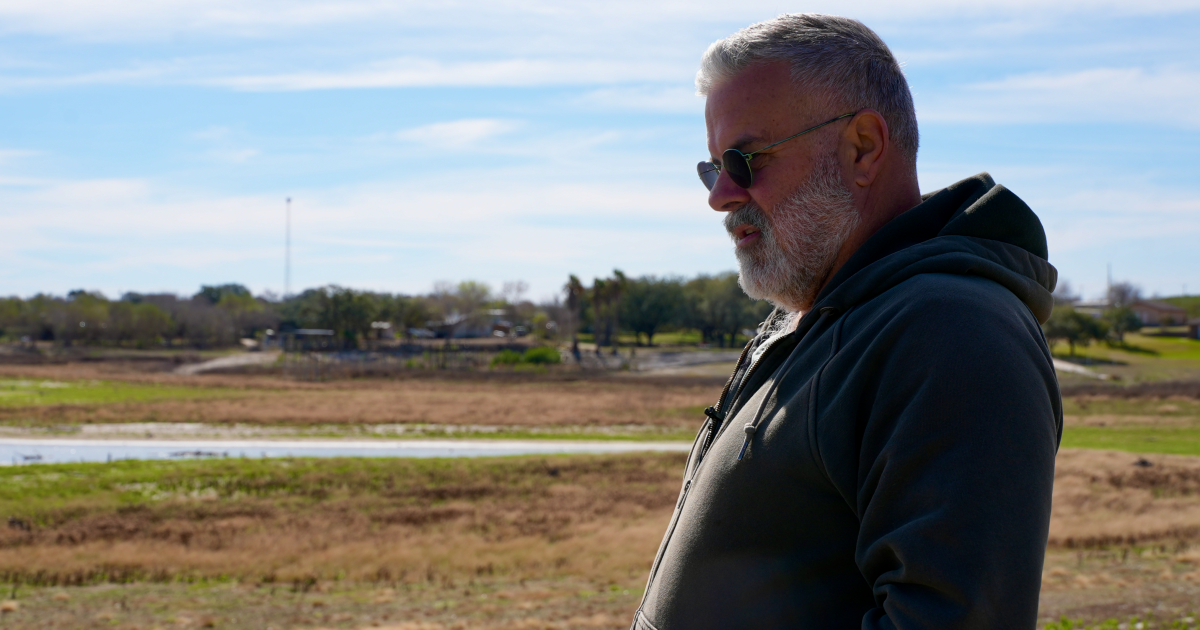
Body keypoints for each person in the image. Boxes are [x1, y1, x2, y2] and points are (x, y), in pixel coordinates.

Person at [631, 14, 1061, 630]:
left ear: (862, 147)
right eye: (712, 168)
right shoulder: (817, 316)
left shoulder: (951, 332)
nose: (720, 195)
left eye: (745, 159)